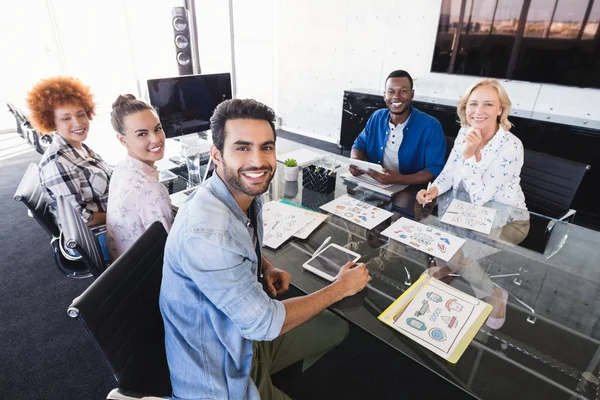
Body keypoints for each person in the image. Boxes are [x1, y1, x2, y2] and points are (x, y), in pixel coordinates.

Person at [159, 98, 371, 400]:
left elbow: (239, 241)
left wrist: (265, 265)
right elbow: (264, 323)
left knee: (336, 328)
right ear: (216, 155)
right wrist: (339, 288)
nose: (258, 161)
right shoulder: (207, 233)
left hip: (244, 336)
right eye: (242, 148)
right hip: (221, 375)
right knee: (325, 313)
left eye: (267, 147)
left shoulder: (242, 194)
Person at [416, 78, 531, 330]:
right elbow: (448, 173)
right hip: (464, 214)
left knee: (457, 252)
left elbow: (481, 199)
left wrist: (469, 157)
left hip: (509, 221)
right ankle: (448, 268)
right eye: (473, 104)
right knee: (436, 239)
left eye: (488, 104)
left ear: (500, 109)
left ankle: (494, 295)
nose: (478, 111)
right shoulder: (464, 132)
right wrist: (433, 190)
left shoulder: (511, 146)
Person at [27, 76, 112, 258]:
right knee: (163, 227)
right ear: (52, 123)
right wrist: (121, 213)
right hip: (95, 237)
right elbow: (84, 220)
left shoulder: (78, 146)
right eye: (66, 118)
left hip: (108, 221)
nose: (77, 123)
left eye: (81, 114)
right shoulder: (58, 163)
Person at [350, 69, 446, 189]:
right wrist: (356, 162)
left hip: (412, 190)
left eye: (403, 91)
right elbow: (359, 144)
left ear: (412, 94)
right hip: (373, 184)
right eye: (391, 91)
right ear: (385, 95)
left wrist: (401, 179)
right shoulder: (377, 116)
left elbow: (434, 168)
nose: (396, 96)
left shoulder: (431, 126)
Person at [106, 95, 174, 261]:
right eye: (142, 134)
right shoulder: (151, 189)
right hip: (149, 275)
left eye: (158, 128)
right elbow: (173, 250)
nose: (156, 139)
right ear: (122, 140)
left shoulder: (121, 168)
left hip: (124, 268)